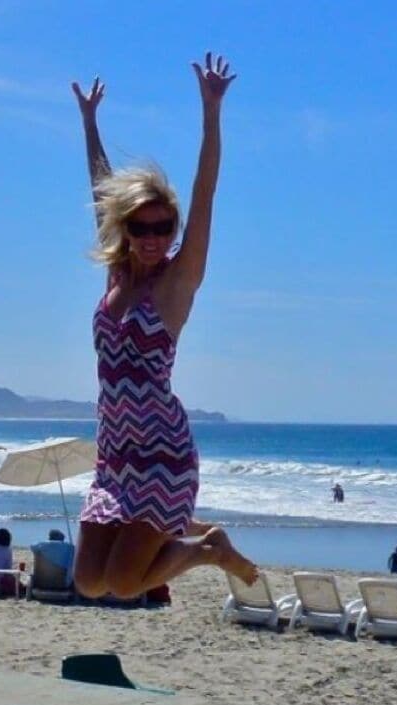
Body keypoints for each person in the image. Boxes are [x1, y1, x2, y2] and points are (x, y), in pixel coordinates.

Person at [72, 53, 258, 600]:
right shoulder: (117, 276)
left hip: (160, 454)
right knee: (87, 579)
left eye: (162, 227)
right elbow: (102, 191)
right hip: (114, 452)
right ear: (125, 229)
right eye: (141, 226)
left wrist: (211, 113)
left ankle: (207, 549)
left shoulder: (175, 286)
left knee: (126, 584)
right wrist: (89, 124)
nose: (153, 236)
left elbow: (205, 195)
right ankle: (200, 538)